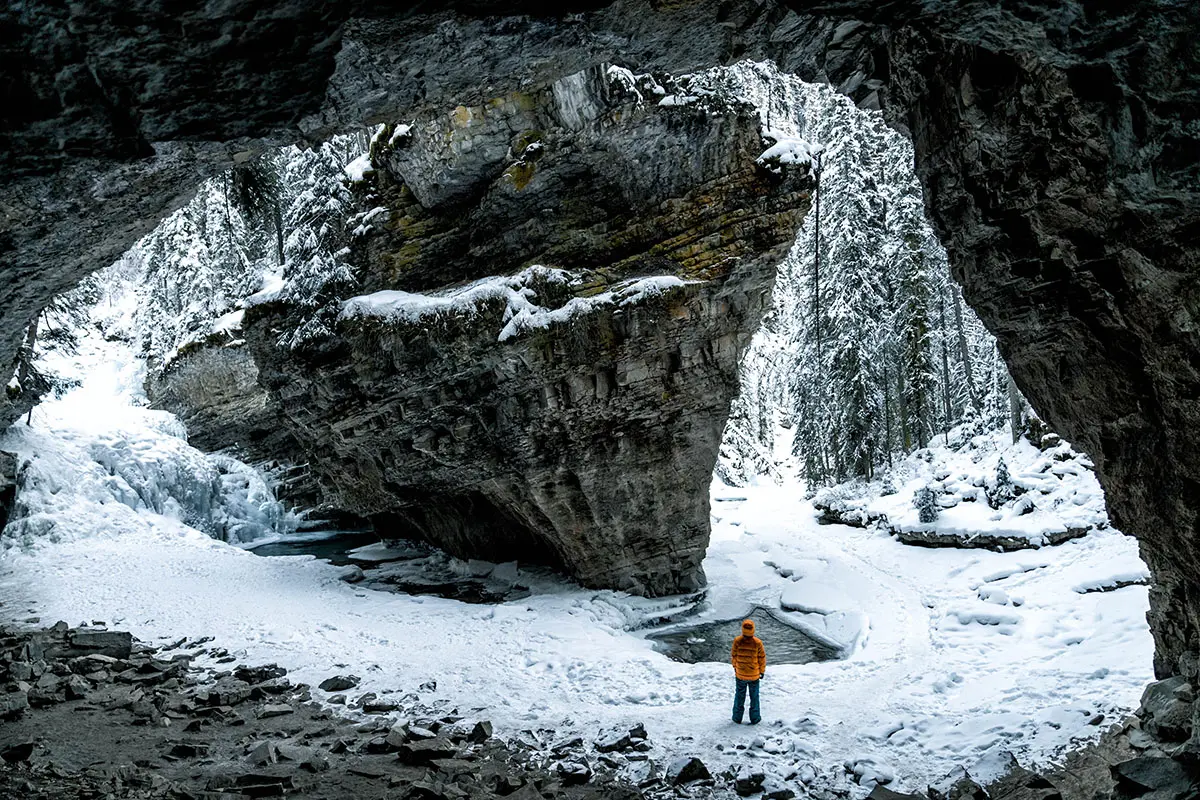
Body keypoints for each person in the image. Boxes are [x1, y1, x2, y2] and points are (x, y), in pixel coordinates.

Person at [731, 618, 766, 724]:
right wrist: (762, 671)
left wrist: (736, 667)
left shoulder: (737, 641)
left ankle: (737, 718)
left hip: (740, 675)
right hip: (754, 675)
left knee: (739, 696)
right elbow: (762, 658)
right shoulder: (758, 642)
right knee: (754, 697)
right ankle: (755, 718)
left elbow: (734, 656)